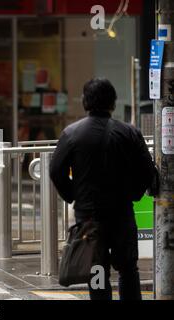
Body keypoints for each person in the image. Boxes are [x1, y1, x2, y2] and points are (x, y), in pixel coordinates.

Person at [49, 78, 156, 300]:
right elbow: (147, 170)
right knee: (128, 268)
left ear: (85, 102)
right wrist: (134, 194)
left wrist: (72, 194)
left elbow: (56, 170)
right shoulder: (129, 133)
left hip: (88, 215)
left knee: (97, 269)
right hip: (121, 212)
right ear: (113, 103)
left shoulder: (72, 133)